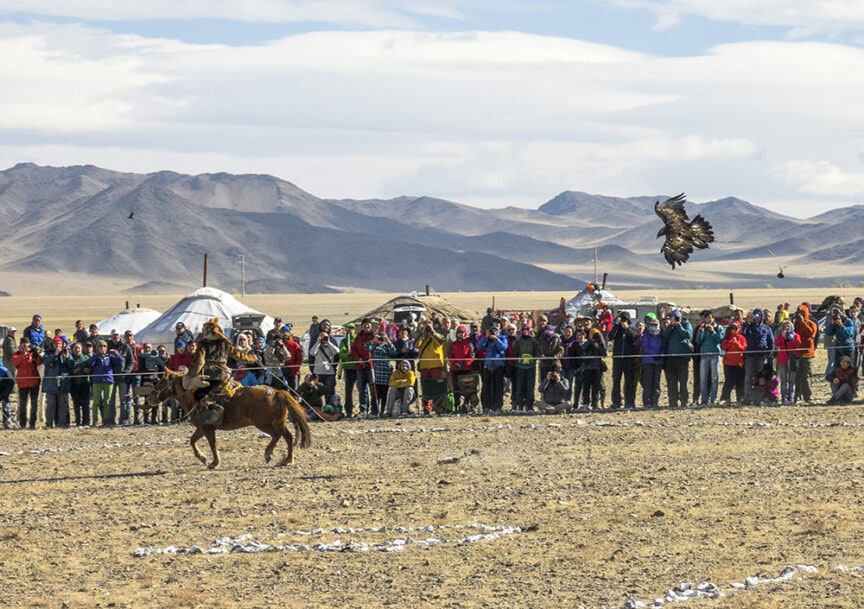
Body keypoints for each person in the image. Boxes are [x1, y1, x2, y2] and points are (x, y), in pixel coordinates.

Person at [187, 318, 257, 425]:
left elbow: (200, 362)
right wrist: (253, 358)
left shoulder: (203, 344)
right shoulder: (225, 343)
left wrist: (191, 375)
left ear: (207, 331)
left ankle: (213, 410)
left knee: (198, 393)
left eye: (205, 330)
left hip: (211, 375)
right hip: (224, 375)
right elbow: (239, 355)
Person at [742, 309, 774, 403]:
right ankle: (747, 398)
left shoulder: (766, 328)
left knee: (761, 378)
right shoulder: (748, 327)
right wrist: (747, 324)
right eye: (755, 315)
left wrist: (768, 355)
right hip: (750, 356)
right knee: (748, 378)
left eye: (759, 315)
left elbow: (771, 343)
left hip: (761, 357)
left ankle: (759, 398)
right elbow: (742, 336)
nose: (757, 317)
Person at [88, 339, 122, 427]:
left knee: (107, 401)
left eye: (104, 346)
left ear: (106, 348)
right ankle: (95, 420)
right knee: (96, 401)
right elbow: (90, 363)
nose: (102, 348)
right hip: (97, 381)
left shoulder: (110, 357)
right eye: (100, 346)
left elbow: (120, 362)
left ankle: (106, 420)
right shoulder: (95, 356)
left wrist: (117, 354)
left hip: (108, 380)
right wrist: (96, 355)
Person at [662, 309, 692, 408]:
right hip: (670, 358)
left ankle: (684, 401)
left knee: (683, 381)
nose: (673, 319)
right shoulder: (670, 326)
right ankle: (673, 401)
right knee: (671, 382)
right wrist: (671, 326)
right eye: (672, 317)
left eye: (675, 317)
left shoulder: (686, 324)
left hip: (682, 358)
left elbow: (687, 335)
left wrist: (679, 326)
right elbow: (665, 336)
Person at [608, 311, 638, 409]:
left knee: (629, 381)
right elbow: (610, 337)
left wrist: (627, 328)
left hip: (628, 359)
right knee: (616, 381)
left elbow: (635, 338)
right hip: (617, 359)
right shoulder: (617, 330)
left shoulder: (632, 329)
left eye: (624, 319)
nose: (622, 321)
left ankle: (629, 402)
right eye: (621, 319)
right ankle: (616, 402)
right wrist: (616, 326)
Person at [695, 310, 724, 406]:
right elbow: (698, 341)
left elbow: (719, 340)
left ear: (713, 318)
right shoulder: (702, 328)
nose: (708, 320)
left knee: (714, 378)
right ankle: (704, 399)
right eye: (706, 318)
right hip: (704, 355)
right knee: (703, 378)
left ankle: (713, 399)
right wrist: (701, 331)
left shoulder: (719, 328)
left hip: (715, 354)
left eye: (710, 318)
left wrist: (712, 332)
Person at [42, 337, 72, 428]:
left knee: (62, 404)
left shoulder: (66, 353)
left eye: (60, 344)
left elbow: (72, 365)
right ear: (53, 344)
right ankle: (49, 423)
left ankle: (61, 423)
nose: (58, 346)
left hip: (63, 383)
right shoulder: (48, 354)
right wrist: (55, 354)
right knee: (51, 404)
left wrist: (67, 358)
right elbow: (46, 363)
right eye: (56, 344)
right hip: (51, 384)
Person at [476, 325, 508, 412]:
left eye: (495, 331)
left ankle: (497, 406)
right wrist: (486, 337)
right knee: (487, 386)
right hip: (488, 364)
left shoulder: (502, 337)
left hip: (499, 365)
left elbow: (503, 347)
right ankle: (487, 406)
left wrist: (495, 339)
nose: (493, 333)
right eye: (492, 331)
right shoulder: (487, 339)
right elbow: (479, 346)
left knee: (498, 386)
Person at [13, 337, 42, 429]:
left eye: (27, 344)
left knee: (34, 404)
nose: (26, 345)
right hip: (23, 383)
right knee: (22, 405)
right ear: (21, 345)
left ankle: (32, 424)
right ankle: (23, 424)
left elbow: (39, 363)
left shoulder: (33, 353)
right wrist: (24, 354)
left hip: (34, 383)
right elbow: (15, 363)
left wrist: (37, 354)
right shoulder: (17, 354)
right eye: (24, 344)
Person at [637, 313, 664, 409]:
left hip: (658, 362)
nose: (654, 326)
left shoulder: (661, 334)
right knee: (647, 383)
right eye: (652, 324)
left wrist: (660, 355)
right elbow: (645, 346)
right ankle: (647, 402)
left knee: (656, 383)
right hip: (648, 361)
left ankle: (655, 402)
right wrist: (654, 354)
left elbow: (663, 346)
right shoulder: (646, 334)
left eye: (656, 324)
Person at [793, 303, 818, 404]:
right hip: (797, 353)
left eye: (802, 312)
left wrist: (803, 323)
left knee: (806, 375)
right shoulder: (795, 324)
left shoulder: (812, 324)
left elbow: (811, 334)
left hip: (808, 354)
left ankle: (808, 397)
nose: (800, 314)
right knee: (797, 376)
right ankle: (796, 396)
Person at [366, 331, 397, 414]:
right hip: (376, 372)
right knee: (375, 393)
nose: (381, 339)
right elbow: (366, 348)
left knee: (384, 394)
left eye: (382, 337)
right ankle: (375, 410)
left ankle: (383, 410)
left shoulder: (387, 347)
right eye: (380, 337)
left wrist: (388, 341)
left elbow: (394, 351)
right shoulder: (374, 346)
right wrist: (373, 340)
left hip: (386, 373)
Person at [512, 323, 540, 411]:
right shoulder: (518, 341)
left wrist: (533, 359)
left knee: (530, 387)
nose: (525, 331)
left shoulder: (534, 341)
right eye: (523, 329)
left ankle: (530, 405)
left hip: (531, 367)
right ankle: (520, 405)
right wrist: (518, 359)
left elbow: (537, 353)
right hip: (520, 366)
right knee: (520, 386)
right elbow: (514, 353)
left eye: (527, 329)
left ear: (529, 330)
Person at [719, 321, 747, 405]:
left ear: (739, 329)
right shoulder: (727, 338)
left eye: (736, 328)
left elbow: (744, 348)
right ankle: (725, 398)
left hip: (739, 363)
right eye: (732, 328)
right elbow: (723, 347)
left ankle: (740, 398)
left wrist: (737, 343)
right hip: (728, 363)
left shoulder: (742, 338)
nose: (734, 330)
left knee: (740, 382)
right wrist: (731, 342)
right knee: (728, 382)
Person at [774, 320, 801, 405]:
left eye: (788, 325)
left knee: (792, 380)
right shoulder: (781, 336)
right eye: (785, 326)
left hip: (792, 360)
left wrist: (791, 339)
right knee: (784, 380)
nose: (787, 327)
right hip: (783, 360)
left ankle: (791, 398)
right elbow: (776, 343)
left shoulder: (796, 336)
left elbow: (798, 345)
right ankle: (784, 398)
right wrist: (783, 337)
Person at [308, 329, 340, 401]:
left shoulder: (330, 346)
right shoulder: (317, 345)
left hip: (329, 372)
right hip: (318, 372)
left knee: (329, 392)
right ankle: (318, 409)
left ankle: (328, 409)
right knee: (317, 392)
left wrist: (328, 342)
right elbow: (312, 353)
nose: (323, 338)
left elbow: (337, 351)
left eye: (325, 337)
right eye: (321, 336)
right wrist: (318, 342)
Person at [580, 328, 607, 409]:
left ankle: (595, 404)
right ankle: (585, 403)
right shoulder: (587, 342)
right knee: (586, 387)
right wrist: (590, 340)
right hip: (587, 367)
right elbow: (583, 349)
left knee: (596, 387)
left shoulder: (600, 343)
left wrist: (598, 345)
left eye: (596, 334)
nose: (595, 336)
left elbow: (604, 353)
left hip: (597, 368)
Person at [68, 341, 91, 427]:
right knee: (76, 404)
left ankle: (86, 422)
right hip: (74, 384)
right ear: (73, 349)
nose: (77, 350)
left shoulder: (86, 358)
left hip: (85, 384)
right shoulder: (70, 358)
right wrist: (73, 372)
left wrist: (88, 370)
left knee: (85, 404)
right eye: (75, 348)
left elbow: (91, 369)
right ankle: (78, 422)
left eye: (78, 348)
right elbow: (68, 369)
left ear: (81, 349)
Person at [0, 361, 14, 429]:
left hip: (4, 392)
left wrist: (5, 394)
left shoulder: (4, 370)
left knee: (6, 407)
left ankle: (6, 423)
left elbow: (11, 382)